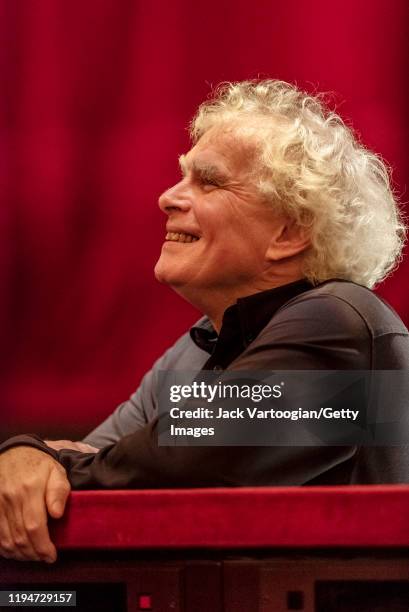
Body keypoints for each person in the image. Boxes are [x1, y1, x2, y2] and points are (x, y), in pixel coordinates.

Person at [0, 80, 408, 564]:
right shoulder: (196, 345)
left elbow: (182, 462)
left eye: (208, 182)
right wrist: (26, 460)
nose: (167, 197)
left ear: (289, 232)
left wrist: (39, 457)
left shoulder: (340, 321)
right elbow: (101, 472)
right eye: (181, 177)